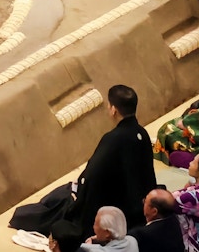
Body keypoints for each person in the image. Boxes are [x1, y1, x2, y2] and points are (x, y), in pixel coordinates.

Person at [66, 85, 157, 239]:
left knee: (59, 200)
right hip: (139, 208)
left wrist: (79, 191)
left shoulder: (113, 138)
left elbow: (91, 175)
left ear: (113, 109)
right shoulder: (142, 133)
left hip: (117, 209)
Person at [172, 150, 199, 252]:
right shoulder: (195, 190)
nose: (190, 163)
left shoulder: (194, 196)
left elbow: (167, 201)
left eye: (193, 162)